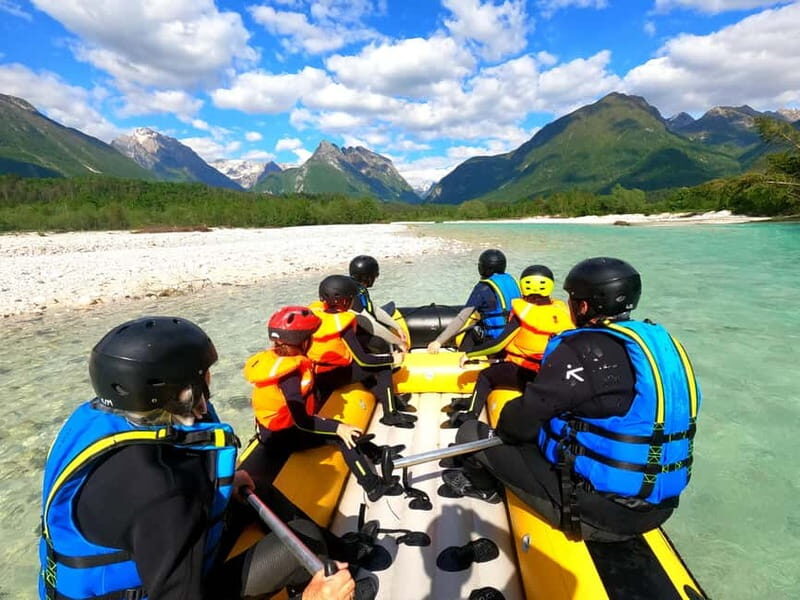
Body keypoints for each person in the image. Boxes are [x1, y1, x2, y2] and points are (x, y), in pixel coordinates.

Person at [39, 316, 356, 600]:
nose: (209, 381)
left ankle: (346, 556)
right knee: (301, 544)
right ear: (183, 391)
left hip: (144, 546)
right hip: (143, 588)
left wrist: (215, 485)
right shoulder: (164, 491)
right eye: (204, 374)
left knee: (258, 490)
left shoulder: (101, 420)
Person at [447, 258, 701, 542]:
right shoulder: (663, 344)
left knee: (470, 433)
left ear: (582, 306)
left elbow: (515, 425)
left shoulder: (582, 348)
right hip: (662, 506)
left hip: (598, 512)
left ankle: (484, 488)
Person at [241, 305, 401, 501]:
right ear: (303, 341)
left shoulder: (279, 357)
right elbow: (301, 421)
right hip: (282, 436)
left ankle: (376, 453)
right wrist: (337, 428)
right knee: (343, 437)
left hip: (276, 429)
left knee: (341, 429)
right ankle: (373, 486)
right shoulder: (289, 376)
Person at [442, 265, 573, 428]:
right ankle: (469, 401)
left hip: (527, 373)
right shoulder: (563, 311)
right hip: (551, 375)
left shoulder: (524, 312)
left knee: (486, 375)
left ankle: (470, 415)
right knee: (501, 366)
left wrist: (469, 355)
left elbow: (498, 345)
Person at [308, 275, 417, 428]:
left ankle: (385, 397)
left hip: (318, 375)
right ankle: (390, 414)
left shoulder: (314, 314)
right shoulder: (342, 323)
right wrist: (392, 359)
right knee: (382, 367)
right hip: (334, 376)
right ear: (346, 300)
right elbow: (364, 360)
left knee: (363, 369)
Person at [427, 249, 521, 353]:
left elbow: (462, 317)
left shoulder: (483, 288)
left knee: (472, 331)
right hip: (514, 338)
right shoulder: (514, 282)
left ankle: (463, 358)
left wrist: (438, 342)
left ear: (483, 268)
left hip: (495, 342)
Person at [348, 255, 408, 353]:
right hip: (355, 337)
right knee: (380, 343)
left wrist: (397, 327)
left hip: (360, 330)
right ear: (368, 277)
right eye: (375, 276)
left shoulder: (359, 288)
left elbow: (374, 309)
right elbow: (370, 325)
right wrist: (398, 342)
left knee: (387, 335)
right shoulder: (352, 294)